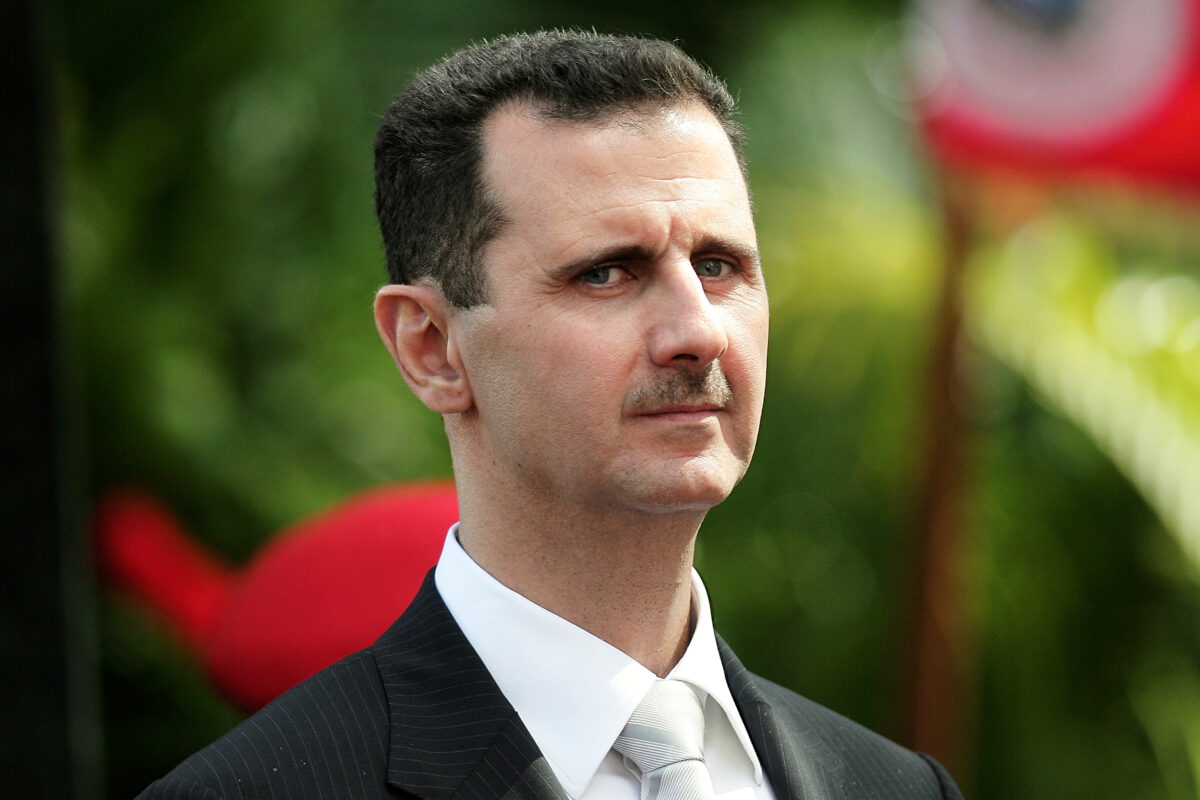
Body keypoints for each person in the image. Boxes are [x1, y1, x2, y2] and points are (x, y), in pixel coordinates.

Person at [139, 30, 963, 800]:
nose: (700, 331)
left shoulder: (898, 788)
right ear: (432, 347)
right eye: (606, 273)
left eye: (718, 266)